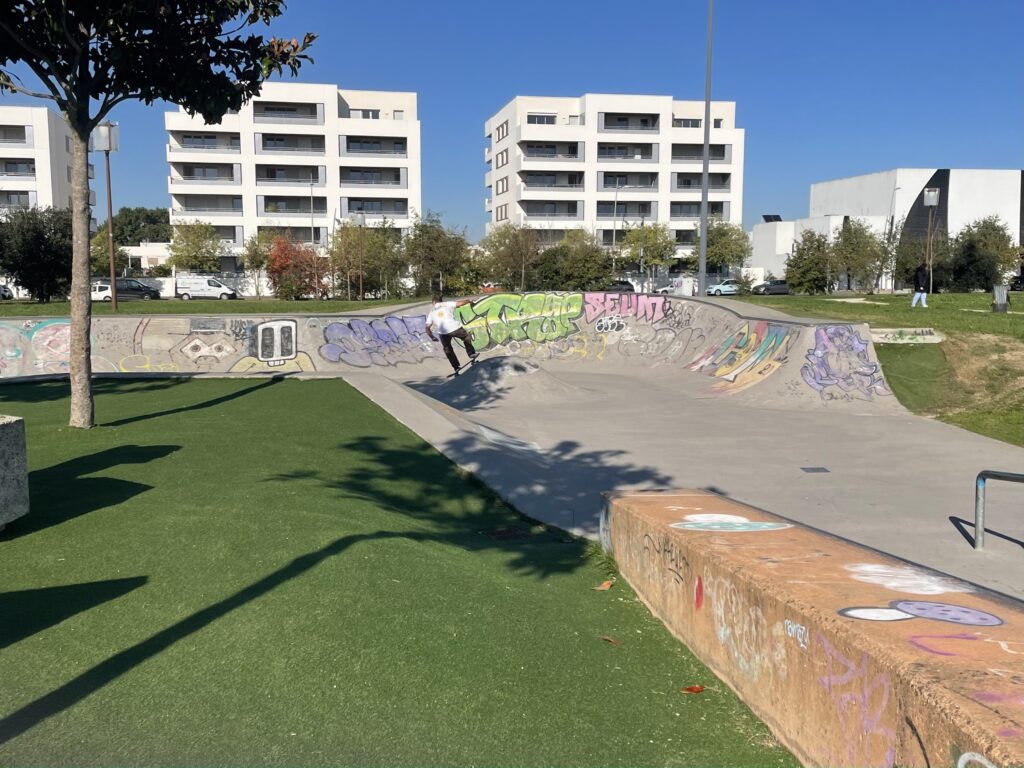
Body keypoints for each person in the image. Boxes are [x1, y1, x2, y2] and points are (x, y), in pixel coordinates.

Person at [426, 293, 477, 374]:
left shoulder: (431, 311)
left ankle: (456, 367)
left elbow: (427, 327)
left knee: (447, 349)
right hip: (454, 328)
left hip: (443, 333)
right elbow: (460, 303)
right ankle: (471, 353)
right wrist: (468, 300)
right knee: (467, 336)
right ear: (440, 300)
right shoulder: (447, 304)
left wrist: (432, 337)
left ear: (433, 302)